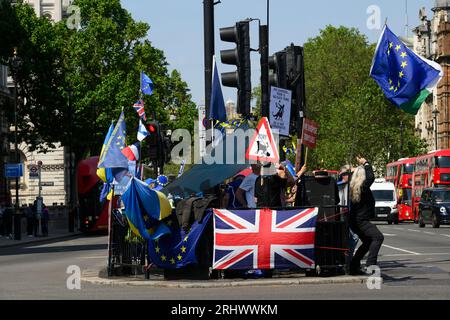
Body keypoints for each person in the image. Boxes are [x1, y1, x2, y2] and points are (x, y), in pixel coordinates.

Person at [348, 156, 384, 275]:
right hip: (361, 221)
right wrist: (366, 163)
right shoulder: (362, 187)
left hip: (355, 221)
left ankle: (353, 266)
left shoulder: (353, 187)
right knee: (378, 237)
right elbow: (371, 177)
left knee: (368, 242)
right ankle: (370, 264)